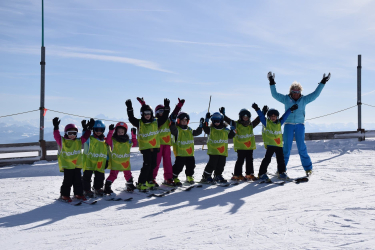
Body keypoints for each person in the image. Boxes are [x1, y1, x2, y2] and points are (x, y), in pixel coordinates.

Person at [268, 71, 331, 176]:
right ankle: (281, 170)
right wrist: (271, 81)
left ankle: (308, 169)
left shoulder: (304, 100)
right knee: (286, 148)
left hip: (300, 126)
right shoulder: (285, 99)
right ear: (291, 92)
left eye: (298, 91)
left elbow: (315, 95)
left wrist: (323, 82)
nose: (296, 93)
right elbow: (274, 94)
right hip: (288, 125)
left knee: (302, 147)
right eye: (294, 91)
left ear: (300, 92)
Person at [125, 97, 170, 191]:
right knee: (147, 165)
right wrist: (130, 108)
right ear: (142, 114)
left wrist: (166, 107)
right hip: (145, 148)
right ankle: (141, 182)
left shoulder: (155, 122)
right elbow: (131, 118)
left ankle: (149, 181)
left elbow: (165, 117)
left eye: (149, 113)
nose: (147, 115)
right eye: (145, 113)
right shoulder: (140, 123)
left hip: (155, 147)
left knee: (153, 164)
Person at [219, 106, 267, 181]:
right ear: (240, 117)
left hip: (249, 147)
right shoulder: (236, 124)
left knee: (249, 160)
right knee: (240, 161)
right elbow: (228, 121)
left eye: (247, 117)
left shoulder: (251, 125)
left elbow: (258, 120)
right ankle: (237, 175)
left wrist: (263, 113)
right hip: (240, 147)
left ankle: (249, 174)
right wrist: (223, 115)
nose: (245, 118)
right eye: (244, 117)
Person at [252, 103, 298, 181]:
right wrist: (257, 109)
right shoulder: (267, 123)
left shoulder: (279, 123)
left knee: (281, 160)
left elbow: (285, 116)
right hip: (270, 145)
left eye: (274, 116)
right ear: (269, 117)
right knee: (267, 159)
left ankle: (282, 172)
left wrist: (291, 109)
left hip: (278, 145)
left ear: (277, 116)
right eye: (271, 116)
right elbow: (261, 117)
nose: (273, 117)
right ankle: (261, 173)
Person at [53, 117, 92, 202]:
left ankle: (78, 194)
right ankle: (65, 195)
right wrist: (56, 127)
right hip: (67, 166)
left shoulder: (78, 141)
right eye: (70, 133)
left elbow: (85, 137)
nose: (72, 135)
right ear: (66, 133)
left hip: (77, 165)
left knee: (78, 181)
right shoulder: (62, 141)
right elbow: (56, 136)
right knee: (68, 181)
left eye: (74, 133)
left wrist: (88, 129)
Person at [152, 98, 185, 186]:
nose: (162, 113)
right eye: (159, 111)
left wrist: (179, 105)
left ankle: (168, 178)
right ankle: (152, 178)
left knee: (168, 162)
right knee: (156, 162)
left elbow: (175, 113)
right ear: (156, 113)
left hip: (167, 144)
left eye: (163, 111)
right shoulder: (155, 121)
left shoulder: (168, 120)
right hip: (157, 145)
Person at [169, 111, 204, 186]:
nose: (184, 122)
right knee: (178, 166)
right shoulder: (177, 130)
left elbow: (197, 132)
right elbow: (172, 129)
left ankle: (189, 176)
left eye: (185, 121)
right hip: (180, 153)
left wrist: (201, 126)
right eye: (182, 121)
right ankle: (174, 177)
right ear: (179, 121)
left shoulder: (190, 130)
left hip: (189, 153)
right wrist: (173, 122)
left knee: (191, 165)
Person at [200, 112, 236, 183]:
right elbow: (205, 128)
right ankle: (206, 176)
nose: (216, 123)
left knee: (221, 164)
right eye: (214, 121)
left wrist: (233, 128)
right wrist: (206, 120)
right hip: (213, 151)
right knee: (212, 164)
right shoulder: (211, 129)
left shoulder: (225, 130)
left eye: (218, 121)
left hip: (222, 151)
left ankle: (218, 175)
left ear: (221, 121)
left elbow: (231, 135)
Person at [103, 122, 138, 194]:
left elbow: (134, 144)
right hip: (116, 162)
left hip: (125, 162)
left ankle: (130, 184)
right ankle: (107, 187)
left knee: (128, 174)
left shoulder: (127, 141)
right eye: (118, 132)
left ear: (125, 132)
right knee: (113, 175)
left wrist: (133, 135)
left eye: (122, 132)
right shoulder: (113, 140)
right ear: (116, 132)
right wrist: (110, 131)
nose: (120, 133)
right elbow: (108, 140)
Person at [82, 119, 112, 197]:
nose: (98, 131)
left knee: (100, 176)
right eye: (96, 129)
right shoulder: (90, 139)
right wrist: (85, 129)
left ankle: (97, 188)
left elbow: (107, 151)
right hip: (89, 161)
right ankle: (86, 189)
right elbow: (84, 138)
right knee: (87, 176)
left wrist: (107, 160)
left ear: (103, 130)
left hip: (100, 162)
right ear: (93, 129)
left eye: (101, 130)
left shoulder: (104, 141)